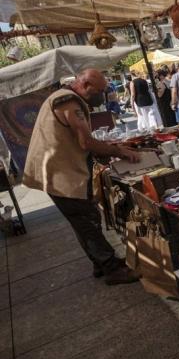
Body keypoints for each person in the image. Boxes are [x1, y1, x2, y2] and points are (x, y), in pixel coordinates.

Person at [23, 69, 141, 285]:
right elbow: (85, 142)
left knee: (83, 221)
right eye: (100, 90)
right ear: (86, 85)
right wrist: (119, 151)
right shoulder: (69, 101)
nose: (103, 95)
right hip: (60, 175)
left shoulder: (63, 98)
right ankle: (112, 269)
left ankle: (100, 263)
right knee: (87, 220)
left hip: (56, 172)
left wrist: (109, 148)